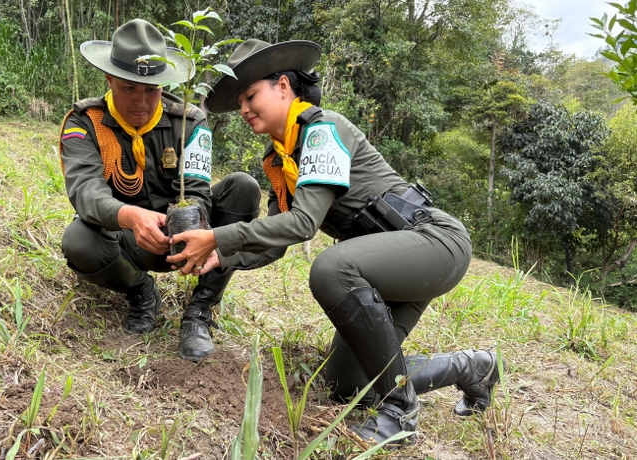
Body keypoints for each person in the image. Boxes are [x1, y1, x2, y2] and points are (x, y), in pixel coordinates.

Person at [167, 39, 503, 448]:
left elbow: (303, 223)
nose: (243, 109)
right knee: (348, 385)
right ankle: (473, 367)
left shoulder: (324, 130)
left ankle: (400, 412)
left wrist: (217, 236)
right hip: (380, 268)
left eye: (251, 95)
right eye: (240, 102)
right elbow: (276, 240)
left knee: (330, 269)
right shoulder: (278, 160)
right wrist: (221, 255)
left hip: (433, 243)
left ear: (284, 87)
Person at [58, 19, 261, 362]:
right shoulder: (84, 123)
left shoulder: (190, 122)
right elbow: (85, 191)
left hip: (187, 239)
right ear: (109, 80)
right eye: (128, 88)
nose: (141, 102)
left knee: (243, 187)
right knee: (78, 240)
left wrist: (191, 225)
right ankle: (141, 291)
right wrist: (129, 216)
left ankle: (200, 310)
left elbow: (197, 188)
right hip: (127, 240)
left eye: (151, 89)